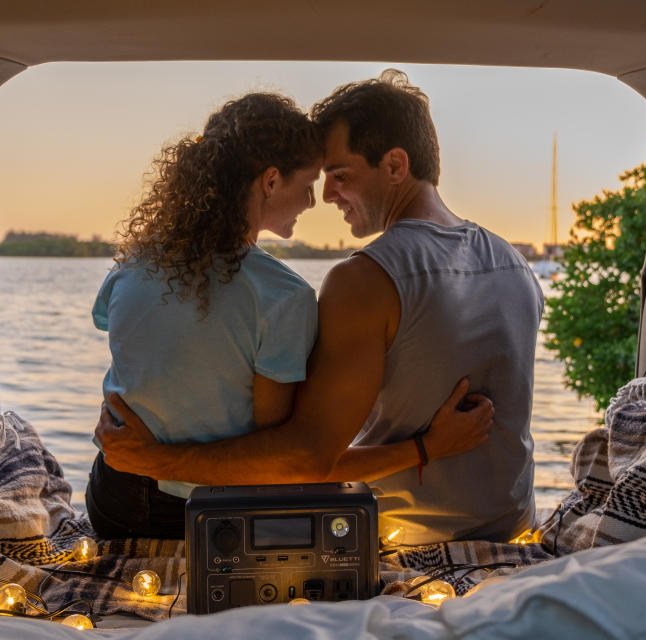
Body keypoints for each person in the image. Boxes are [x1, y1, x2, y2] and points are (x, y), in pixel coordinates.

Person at [97, 72, 542, 545]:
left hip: (398, 540)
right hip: (513, 530)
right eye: (318, 180)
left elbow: (303, 460)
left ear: (395, 165)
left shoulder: (365, 279)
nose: (326, 197)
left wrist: (150, 461)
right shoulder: (515, 264)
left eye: (339, 176)